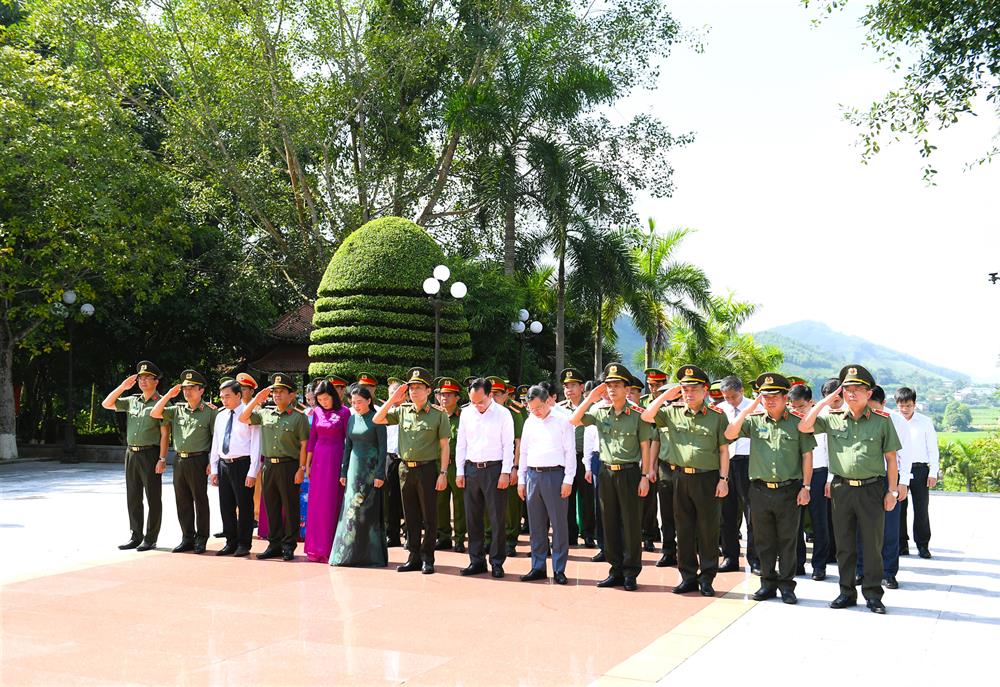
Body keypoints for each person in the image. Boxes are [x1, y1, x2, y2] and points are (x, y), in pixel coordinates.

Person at [798, 364, 902, 614]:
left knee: (872, 544)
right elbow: (804, 426)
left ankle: (873, 594)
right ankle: (846, 592)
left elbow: (891, 459)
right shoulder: (831, 418)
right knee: (844, 544)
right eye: (847, 389)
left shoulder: (882, 421)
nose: (851, 394)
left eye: (857, 389)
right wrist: (825, 402)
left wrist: (892, 491)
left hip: (872, 489)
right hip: (841, 488)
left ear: (869, 393)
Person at [725, 373, 815, 604]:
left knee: (787, 540)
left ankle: (787, 586)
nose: (770, 400)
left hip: (789, 490)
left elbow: (807, 456)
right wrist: (749, 408)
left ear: (785, 397)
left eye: (775, 396)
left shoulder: (797, 422)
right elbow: (729, 434)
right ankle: (767, 583)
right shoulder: (754, 420)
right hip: (760, 490)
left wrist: (806, 486)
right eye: (765, 396)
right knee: (763, 540)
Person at [641, 364, 730, 597]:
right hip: (680, 476)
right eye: (684, 389)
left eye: (693, 389)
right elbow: (646, 415)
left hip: (708, 478)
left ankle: (707, 577)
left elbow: (723, 450)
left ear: (705, 390)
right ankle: (688, 576)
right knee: (684, 528)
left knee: (708, 530)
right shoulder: (672, 412)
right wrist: (665, 396)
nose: (688, 393)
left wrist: (723, 479)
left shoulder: (717, 417)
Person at [570, 363, 654, 592]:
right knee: (609, 522)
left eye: (617, 385)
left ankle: (630, 572)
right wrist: (590, 399)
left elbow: (645, 447)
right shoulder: (599, 411)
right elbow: (575, 420)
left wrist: (645, 476)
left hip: (630, 473)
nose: (612, 390)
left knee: (630, 524)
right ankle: (615, 569)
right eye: (608, 386)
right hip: (606, 471)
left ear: (627, 389)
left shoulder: (638, 414)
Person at [374, 367, 450, 574]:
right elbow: (377, 419)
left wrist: (443, 473)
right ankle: (414, 557)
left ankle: (428, 558)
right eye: (411, 388)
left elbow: (444, 446)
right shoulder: (402, 411)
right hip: (405, 469)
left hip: (427, 470)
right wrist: (393, 400)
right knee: (410, 516)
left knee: (429, 517)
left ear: (428, 390)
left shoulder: (438, 415)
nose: (414, 391)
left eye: (419, 388)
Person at [240, 373, 310, 561]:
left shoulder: (298, 418)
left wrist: (301, 468)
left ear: (292, 395)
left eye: (281, 392)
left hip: (289, 465)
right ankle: (274, 544)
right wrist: (257, 399)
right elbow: (243, 417)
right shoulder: (265, 413)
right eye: (275, 392)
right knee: (271, 506)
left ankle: (288, 546)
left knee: (290, 506)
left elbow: (304, 445)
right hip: (269, 465)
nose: (277, 395)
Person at [102, 360, 169, 552]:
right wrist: (123, 386)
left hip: (151, 453)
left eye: (148, 378)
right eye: (141, 378)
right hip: (131, 453)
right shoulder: (133, 400)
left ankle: (151, 537)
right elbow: (107, 404)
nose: (143, 381)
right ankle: (135, 535)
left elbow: (165, 433)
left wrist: (162, 459)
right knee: (133, 497)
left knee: (153, 497)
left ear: (156, 381)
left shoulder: (162, 402)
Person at [151, 369, 217, 554]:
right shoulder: (177, 409)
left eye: (192, 388)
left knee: (200, 500)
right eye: (185, 388)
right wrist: (168, 396)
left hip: (199, 459)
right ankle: (187, 537)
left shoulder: (210, 412)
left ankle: (201, 538)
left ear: (201, 390)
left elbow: (215, 439)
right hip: (180, 460)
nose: (187, 392)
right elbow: (155, 413)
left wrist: (212, 462)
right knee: (182, 500)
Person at [455, 377, 515, 577]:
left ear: (490, 395)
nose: (477, 406)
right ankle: (476, 560)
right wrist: (459, 471)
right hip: (471, 469)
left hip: (494, 469)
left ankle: (497, 562)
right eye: (473, 401)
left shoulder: (503, 414)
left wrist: (506, 472)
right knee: (473, 518)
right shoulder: (466, 413)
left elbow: (509, 445)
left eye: (481, 401)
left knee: (497, 518)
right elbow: (461, 443)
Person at [518, 384, 576, 584]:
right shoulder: (529, 422)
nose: (535, 412)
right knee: (536, 525)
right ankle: (538, 566)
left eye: (538, 408)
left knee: (559, 525)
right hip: (533, 476)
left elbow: (570, 452)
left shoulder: (563, 421)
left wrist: (568, 479)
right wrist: (521, 479)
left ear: (548, 401)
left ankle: (559, 569)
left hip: (555, 475)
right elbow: (523, 452)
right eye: (531, 408)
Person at [856, 385, 911, 589]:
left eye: (874, 407)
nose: (870, 411)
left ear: (884, 404)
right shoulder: (858, 417)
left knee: (889, 529)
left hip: (890, 481)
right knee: (862, 529)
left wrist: (902, 483)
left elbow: (906, 455)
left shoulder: (896, 421)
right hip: (866, 481)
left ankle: (888, 573)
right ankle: (860, 570)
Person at [331, 385, 388, 567]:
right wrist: (343, 471)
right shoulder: (352, 419)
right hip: (353, 470)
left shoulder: (377, 419)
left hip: (370, 472)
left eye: (360, 402)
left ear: (369, 400)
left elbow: (383, 448)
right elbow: (348, 446)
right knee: (350, 511)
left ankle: (369, 555)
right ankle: (347, 554)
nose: (356, 405)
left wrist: (380, 473)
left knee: (366, 513)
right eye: (353, 402)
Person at [210, 379, 261, 557]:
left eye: (228, 396)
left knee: (245, 506)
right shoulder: (221, 415)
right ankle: (230, 542)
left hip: (242, 463)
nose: (224, 400)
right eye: (222, 397)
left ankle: (244, 543)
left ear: (239, 395)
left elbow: (256, 444)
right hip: (225, 464)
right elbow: (216, 442)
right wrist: (215, 468)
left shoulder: (250, 415)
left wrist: (253, 471)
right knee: (226, 505)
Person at [303, 380, 351, 562]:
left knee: (332, 502)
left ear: (333, 396)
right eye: (320, 399)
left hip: (336, 458)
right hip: (318, 460)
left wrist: (345, 466)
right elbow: (312, 439)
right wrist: (307, 464)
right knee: (317, 504)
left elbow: (349, 440)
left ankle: (332, 546)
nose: (323, 402)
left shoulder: (344, 413)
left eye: (325, 398)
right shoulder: (316, 412)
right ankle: (315, 547)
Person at [788, 383, 831, 580]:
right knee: (794, 521)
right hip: (795, 475)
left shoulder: (821, 422)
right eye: (793, 407)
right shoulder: (788, 421)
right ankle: (797, 562)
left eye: (801, 407)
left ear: (811, 403)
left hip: (818, 474)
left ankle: (819, 565)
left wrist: (830, 479)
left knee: (818, 521)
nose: (796, 411)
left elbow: (831, 452)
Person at [716, 376, 759, 574]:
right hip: (726, 463)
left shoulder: (756, 407)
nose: (730, 401)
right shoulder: (720, 409)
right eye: (727, 397)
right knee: (727, 514)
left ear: (741, 391)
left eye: (733, 396)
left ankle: (755, 559)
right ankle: (730, 557)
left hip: (749, 462)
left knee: (752, 514)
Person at [894, 387, 938, 559]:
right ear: (897, 404)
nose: (905, 410)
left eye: (909, 406)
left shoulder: (925, 422)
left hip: (919, 469)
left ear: (915, 404)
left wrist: (933, 472)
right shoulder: (893, 421)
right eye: (902, 406)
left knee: (921, 508)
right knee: (899, 508)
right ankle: (901, 544)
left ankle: (922, 544)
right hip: (897, 470)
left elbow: (933, 448)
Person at [556, 367, 596, 548]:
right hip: (565, 460)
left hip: (584, 458)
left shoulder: (591, 408)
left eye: (573, 385)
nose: (569, 389)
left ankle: (587, 533)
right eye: (566, 386)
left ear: (582, 388)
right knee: (567, 497)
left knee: (587, 497)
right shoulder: (559, 409)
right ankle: (570, 534)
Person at [485, 375, 524, 557]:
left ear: (506, 395)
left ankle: (510, 540)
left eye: (498, 394)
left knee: (509, 506)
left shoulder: (514, 412)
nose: (493, 398)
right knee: (487, 503)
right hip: (486, 464)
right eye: (490, 393)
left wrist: (514, 468)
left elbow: (518, 442)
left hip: (507, 464)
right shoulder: (481, 411)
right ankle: (488, 538)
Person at [641, 368, 677, 568]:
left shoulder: (679, 408)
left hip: (684, 467)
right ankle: (669, 550)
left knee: (686, 513)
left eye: (658, 386)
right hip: (665, 467)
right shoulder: (657, 410)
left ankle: (690, 549)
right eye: (651, 385)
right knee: (666, 513)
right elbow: (655, 439)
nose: (653, 389)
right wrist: (651, 468)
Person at [434, 377, 467, 553]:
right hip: (438, 464)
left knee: (460, 503)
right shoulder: (435, 415)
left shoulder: (464, 417)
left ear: (457, 397)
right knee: (440, 502)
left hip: (457, 464)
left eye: (449, 394)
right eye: (441, 394)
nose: (444, 398)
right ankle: (443, 536)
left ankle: (460, 538)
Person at [627, 376, 658, 553]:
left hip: (645, 462)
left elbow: (653, 439)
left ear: (641, 394)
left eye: (634, 392)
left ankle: (648, 536)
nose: (630, 395)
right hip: (628, 463)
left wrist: (650, 466)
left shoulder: (647, 413)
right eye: (628, 391)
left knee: (648, 502)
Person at [382, 376, 404, 548]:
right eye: (391, 394)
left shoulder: (408, 411)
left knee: (407, 500)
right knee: (390, 499)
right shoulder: (385, 413)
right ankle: (392, 535)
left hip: (405, 459)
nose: (394, 397)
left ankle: (411, 535)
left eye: (397, 393)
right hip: (390, 457)